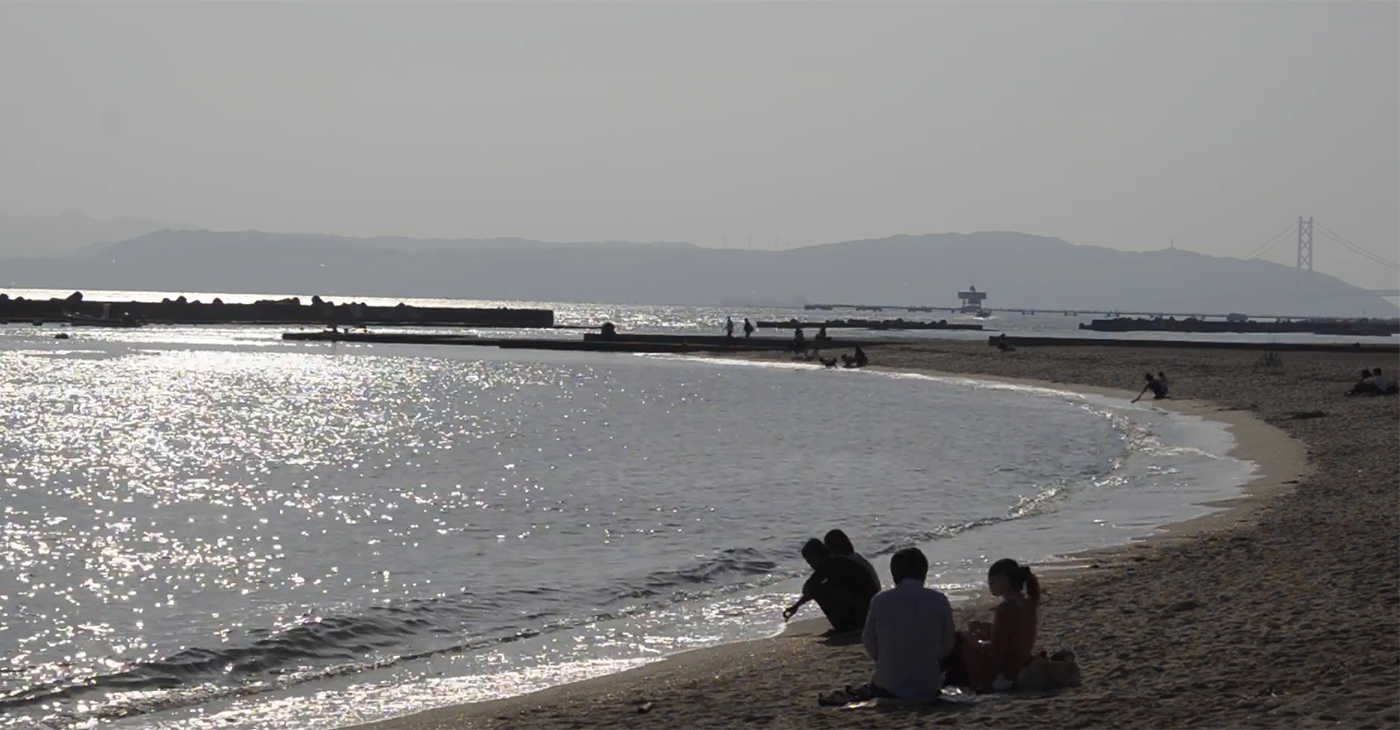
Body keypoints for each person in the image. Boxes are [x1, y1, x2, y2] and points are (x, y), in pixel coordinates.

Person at [862, 547, 956, 702]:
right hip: (929, 683)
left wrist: (884, 659)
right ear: (923, 571)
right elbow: (948, 643)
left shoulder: (880, 600)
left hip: (889, 685)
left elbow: (868, 641)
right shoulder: (938, 599)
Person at [948, 559, 1041, 693]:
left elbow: (995, 650)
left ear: (1005, 580)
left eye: (992, 580)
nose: (989, 583)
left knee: (961, 641)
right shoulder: (1027, 603)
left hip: (1006, 669)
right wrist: (986, 628)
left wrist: (972, 641)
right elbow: (1013, 631)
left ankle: (968, 684)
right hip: (1021, 661)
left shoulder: (1005, 608)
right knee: (979, 633)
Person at [783, 538, 879, 634]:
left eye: (811, 562)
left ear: (817, 556)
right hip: (870, 609)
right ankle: (849, 624)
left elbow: (808, 588)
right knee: (821, 588)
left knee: (820, 591)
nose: (811, 566)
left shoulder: (828, 566)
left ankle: (845, 626)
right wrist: (796, 606)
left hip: (863, 612)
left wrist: (797, 605)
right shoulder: (840, 561)